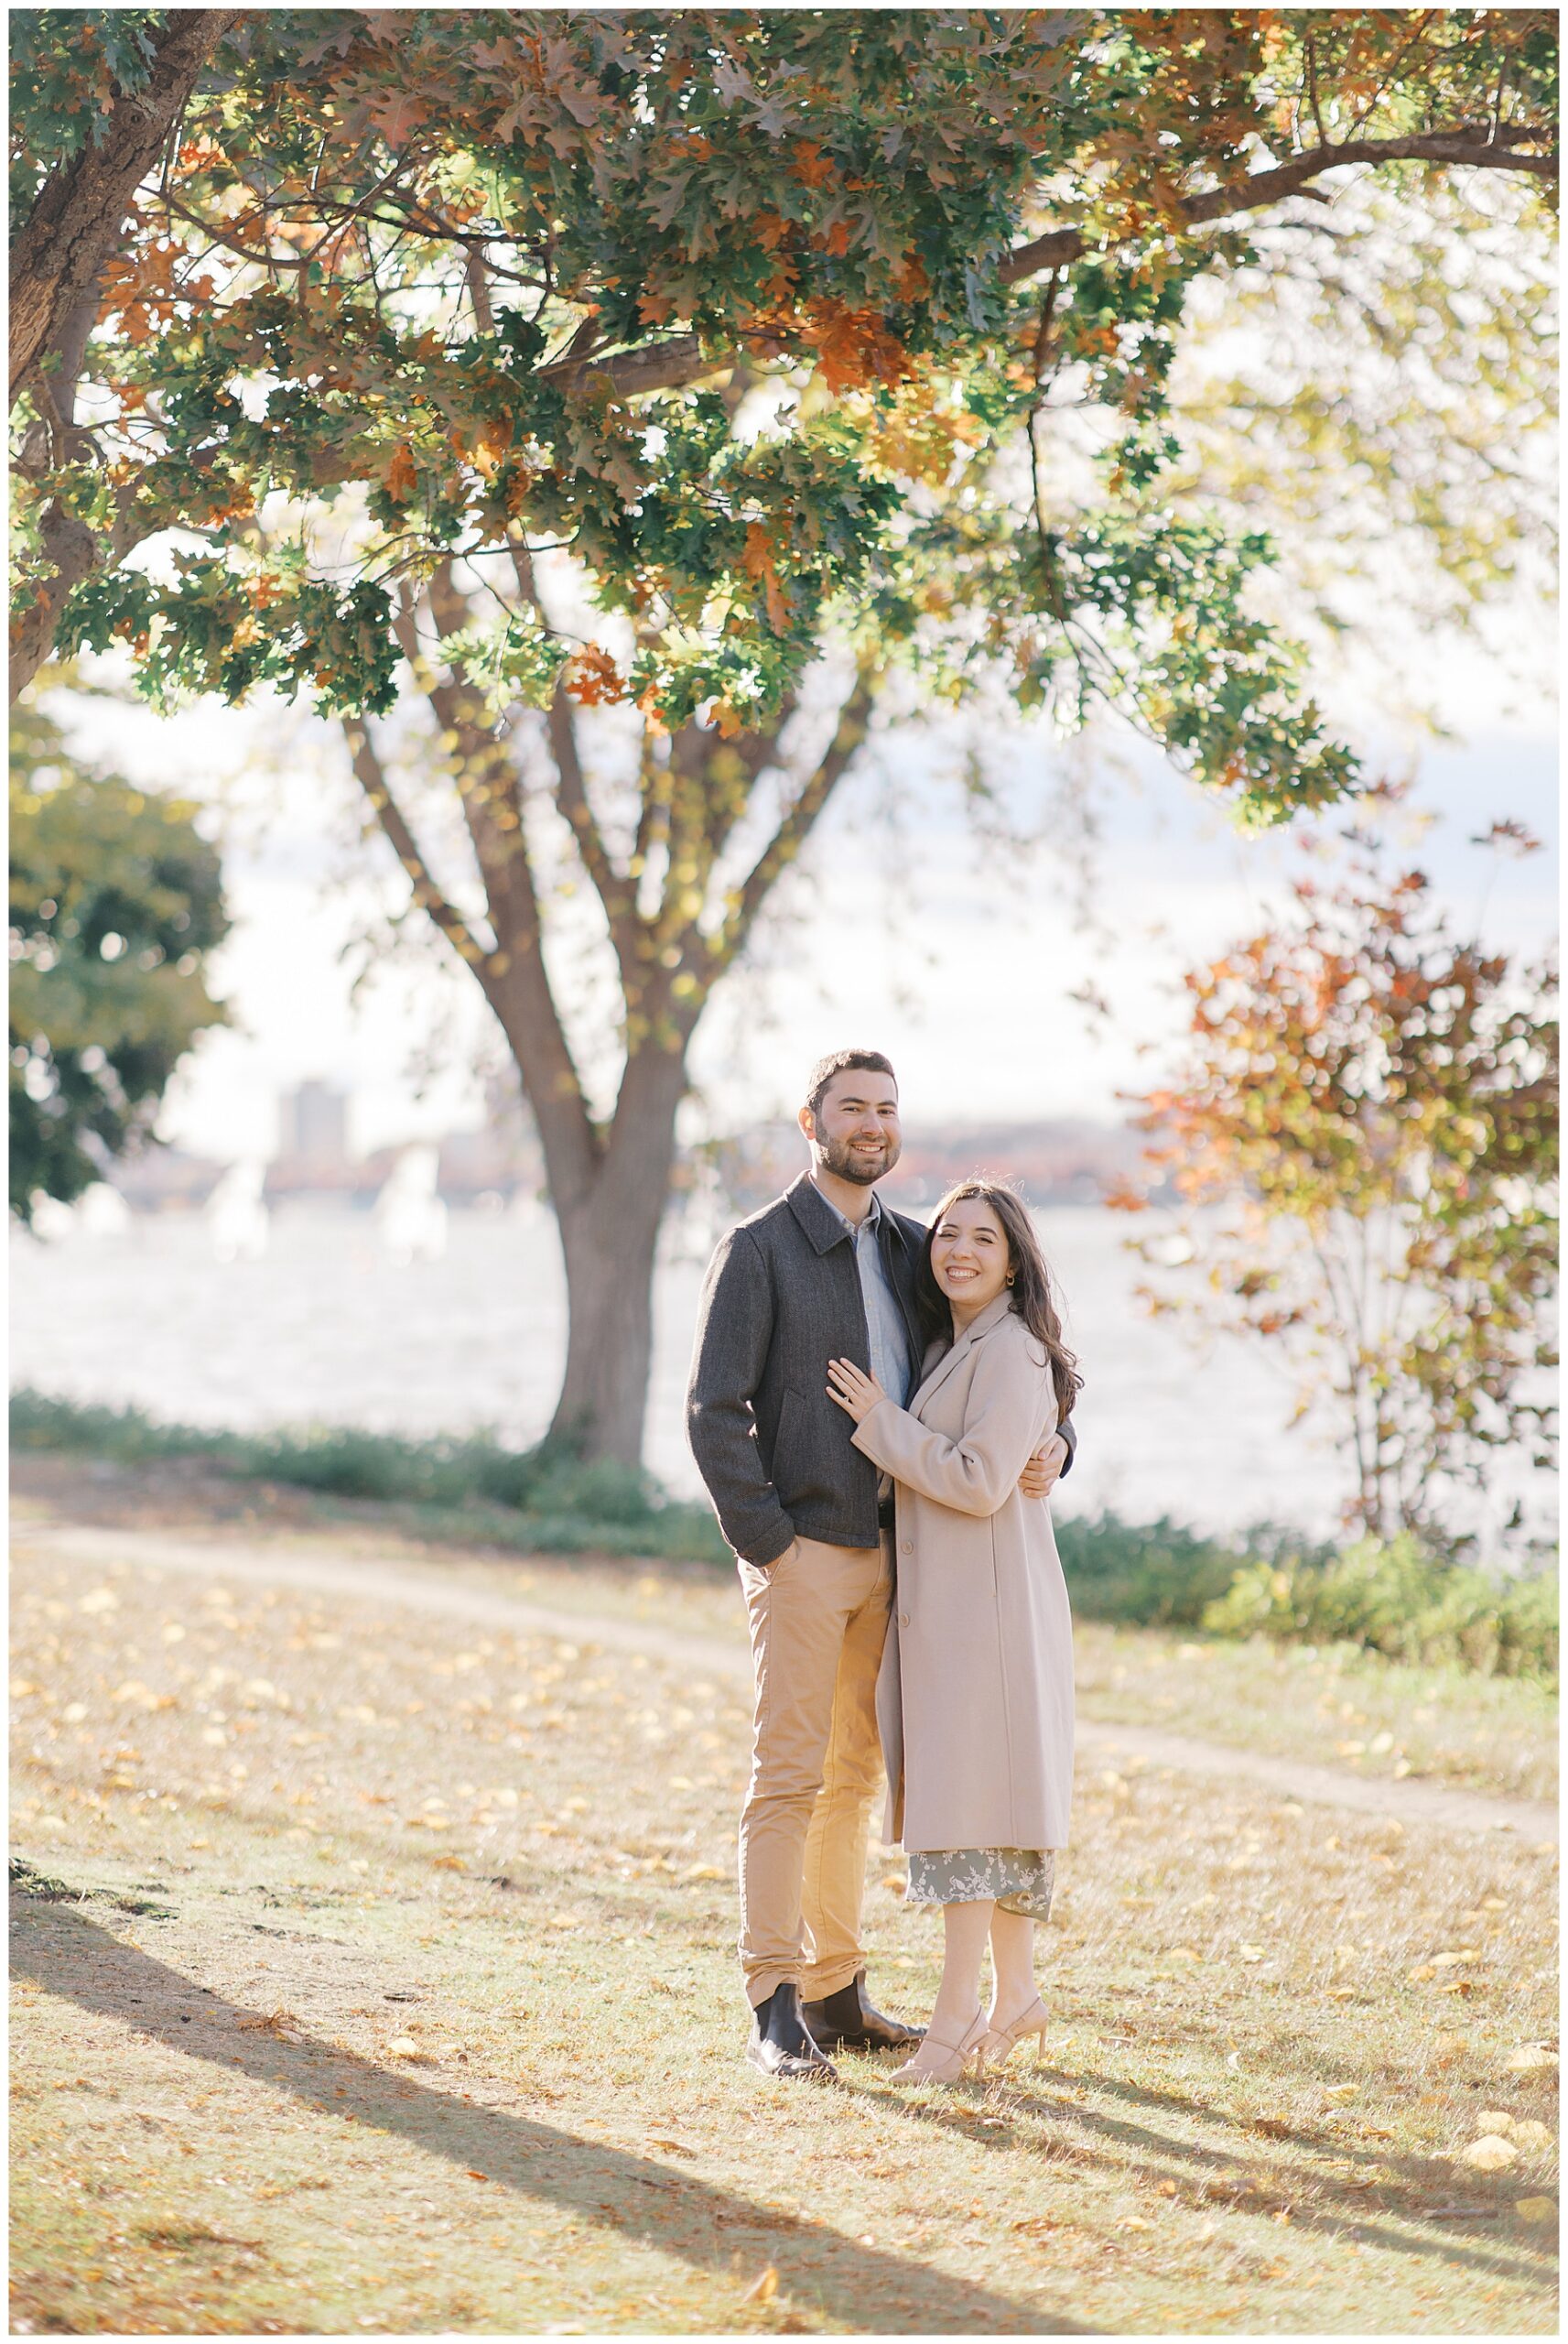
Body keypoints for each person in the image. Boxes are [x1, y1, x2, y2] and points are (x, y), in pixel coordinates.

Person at [686, 1050, 1076, 2081]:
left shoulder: (915, 1247)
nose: (871, 1122)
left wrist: (1057, 1449)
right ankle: (774, 1999)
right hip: (807, 1556)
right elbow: (713, 1411)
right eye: (852, 1107)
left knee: (856, 1783)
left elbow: (1011, 1363)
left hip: (906, 1571)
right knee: (790, 1778)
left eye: (886, 1108)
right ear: (809, 1121)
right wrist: (771, 1544)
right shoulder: (760, 1248)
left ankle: (836, 1991)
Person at [826, 1177, 1078, 2085]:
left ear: (1014, 1259)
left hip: (992, 1617)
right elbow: (1015, 1449)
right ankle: (1016, 1997)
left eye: (983, 1239)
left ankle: (954, 2019)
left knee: (973, 1813)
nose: (960, 1250)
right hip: (958, 1608)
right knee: (990, 1812)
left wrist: (878, 1425)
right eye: (949, 1235)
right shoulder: (957, 1340)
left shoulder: (1010, 1351)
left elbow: (975, 1479)